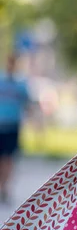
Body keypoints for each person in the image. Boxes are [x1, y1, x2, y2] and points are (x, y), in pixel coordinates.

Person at [0, 53, 31, 203]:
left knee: (9, 158)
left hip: (13, 125)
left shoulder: (21, 85)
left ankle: (5, 187)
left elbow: (28, 104)